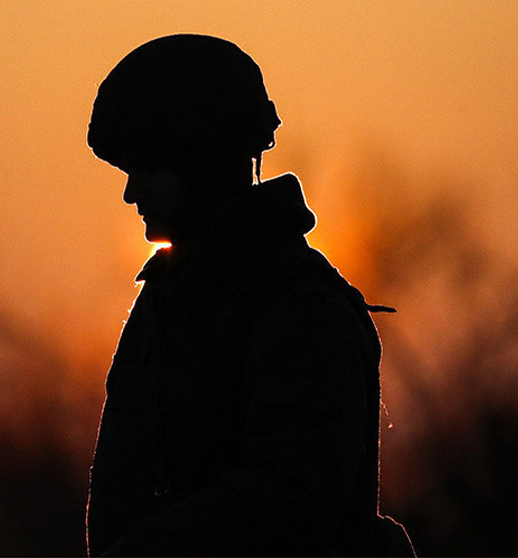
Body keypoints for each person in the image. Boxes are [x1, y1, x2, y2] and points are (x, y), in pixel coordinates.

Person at [85, 34, 414, 556]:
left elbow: (289, 500)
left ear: (204, 160)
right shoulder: (164, 300)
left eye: (148, 168)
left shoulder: (303, 311)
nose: (131, 193)